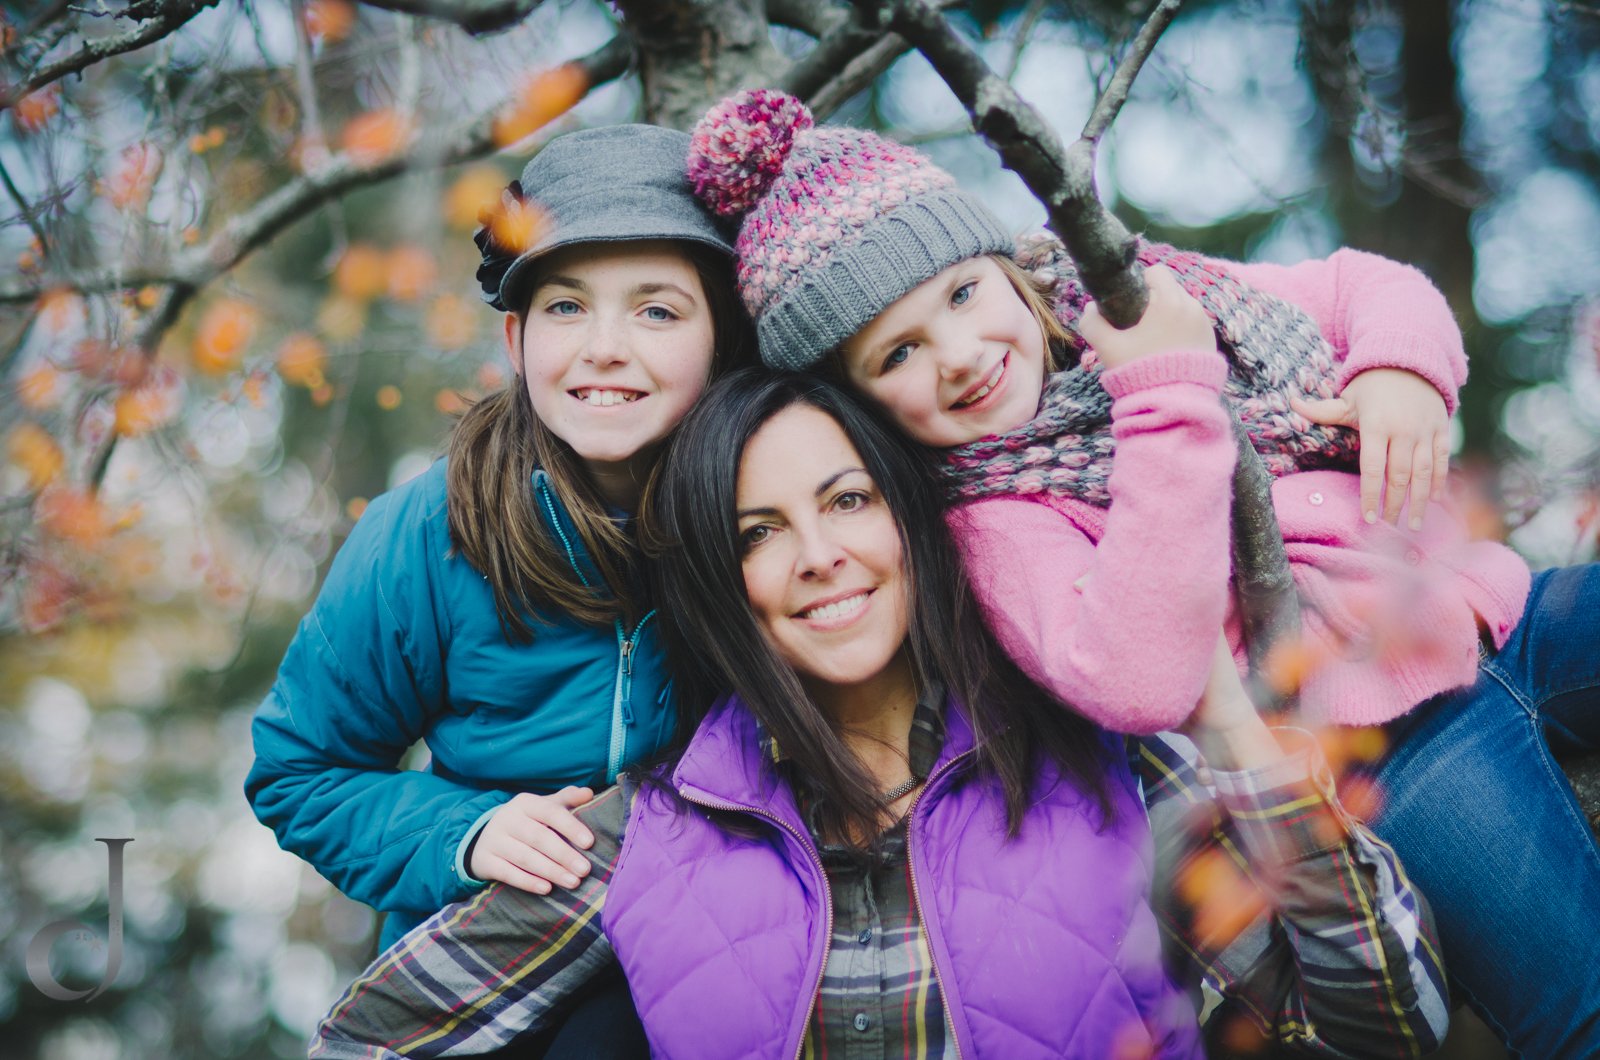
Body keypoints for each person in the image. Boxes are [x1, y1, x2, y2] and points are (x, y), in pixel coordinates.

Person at [686, 88, 1600, 1056]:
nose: (957, 356)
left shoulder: (1126, 298)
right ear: (862, 410)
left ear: (1003, 265)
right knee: (1575, 998)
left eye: (960, 295)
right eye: (897, 353)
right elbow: (1139, 672)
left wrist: (1399, 371)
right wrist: (1161, 392)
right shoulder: (992, 519)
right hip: (1393, 742)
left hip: (1503, 603)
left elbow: (1350, 287)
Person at [308, 372, 1445, 1059]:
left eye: (846, 499)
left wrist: (1239, 740)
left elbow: (1386, 1027)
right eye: (758, 532)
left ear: (910, 518)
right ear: (720, 582)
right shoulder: (644, 834)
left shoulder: (1109, 771)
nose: (818, 558)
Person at [246, 123, 751, 1054]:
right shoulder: (426, 533)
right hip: (493, 968)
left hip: (717, 944)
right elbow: (298, 773)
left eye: (657, 311)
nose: (604, 348)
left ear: (721, 338)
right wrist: (466, 833)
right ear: (516, 339)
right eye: (566, 309)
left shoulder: (765, 508)